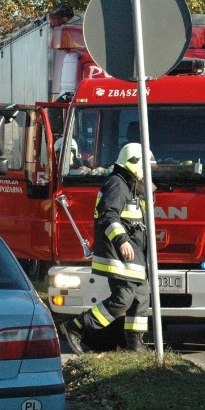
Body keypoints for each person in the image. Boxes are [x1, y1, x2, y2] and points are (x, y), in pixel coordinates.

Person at [59, 142, 150, 355]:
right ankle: (77, 327)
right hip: (120, 254)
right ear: (134, 163)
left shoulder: (131, 186)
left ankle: (135, 344)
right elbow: (108, 216)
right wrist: (122, 241)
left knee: (141, 296)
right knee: (123, 298)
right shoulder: (116, 184)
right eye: (144, 165)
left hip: (134, 255)